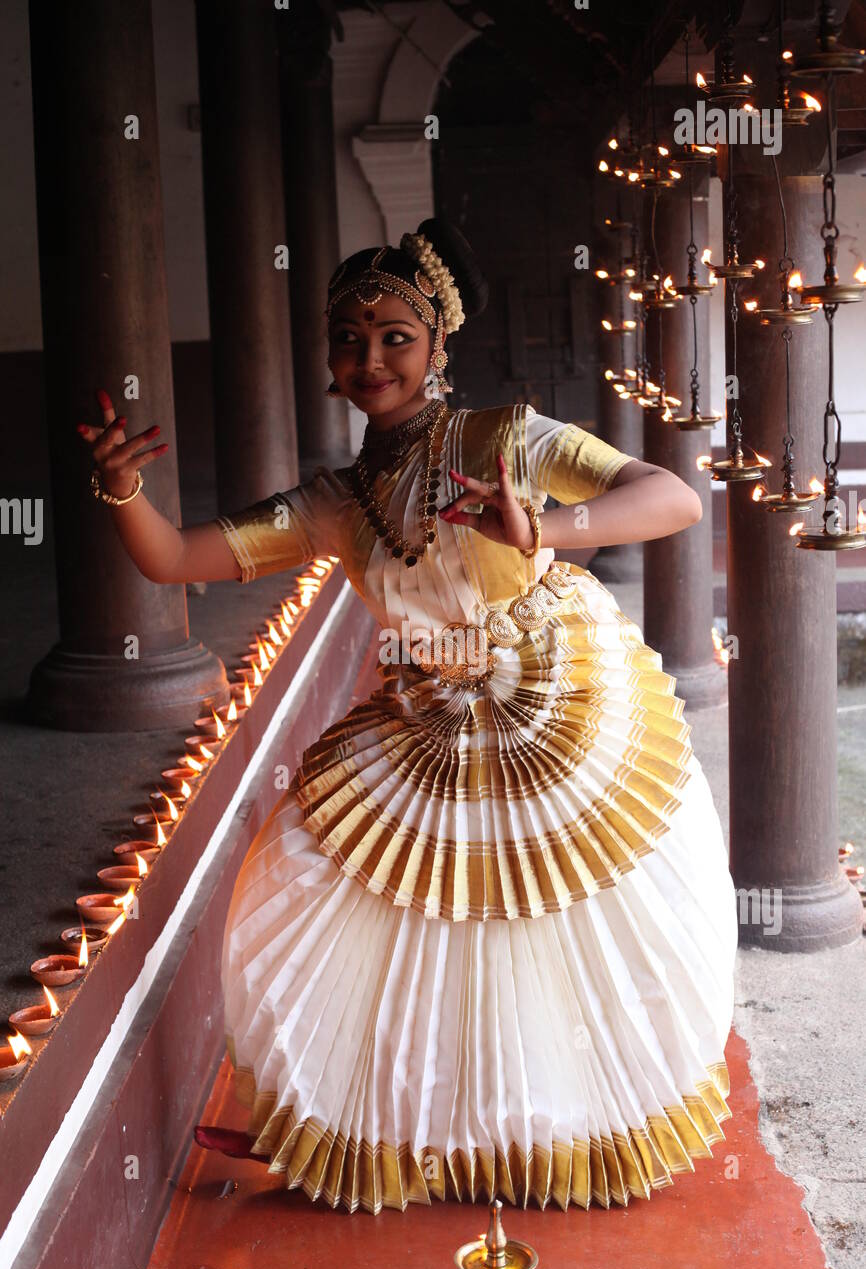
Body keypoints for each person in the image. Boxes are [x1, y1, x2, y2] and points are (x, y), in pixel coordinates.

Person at [78, 218, 737, 1215]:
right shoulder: (337, 501)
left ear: (438, 345)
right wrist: (121, 489)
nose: (369, 357)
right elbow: (173, 558)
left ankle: (555, 1128)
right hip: (429, 707)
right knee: (310, 876)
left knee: (549, 926)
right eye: (348, 339)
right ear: (329, 362)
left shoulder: (504, 440)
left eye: (394, 335)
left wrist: (546, 528)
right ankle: (376, 1116)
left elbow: (670, 498)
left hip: (552, 701)